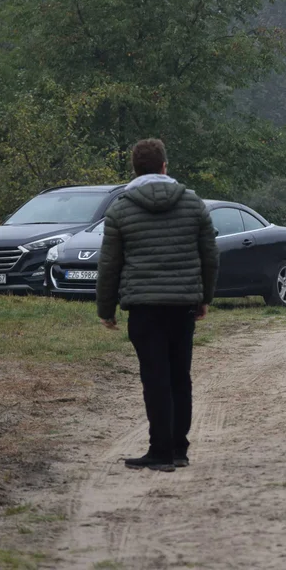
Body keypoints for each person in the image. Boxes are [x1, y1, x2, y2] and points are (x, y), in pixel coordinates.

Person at [97, 139, 220, 472]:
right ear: (165, 166)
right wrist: (204, 297)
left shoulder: (120, 209)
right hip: (182, 305)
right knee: (180, 376)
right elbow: (210, 255)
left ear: (135, 169)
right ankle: (179, 449)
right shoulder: (194, 204)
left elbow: (109, 264)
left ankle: (160, 451)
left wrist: (105, 309)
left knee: (155, 379)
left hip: (144, 307)